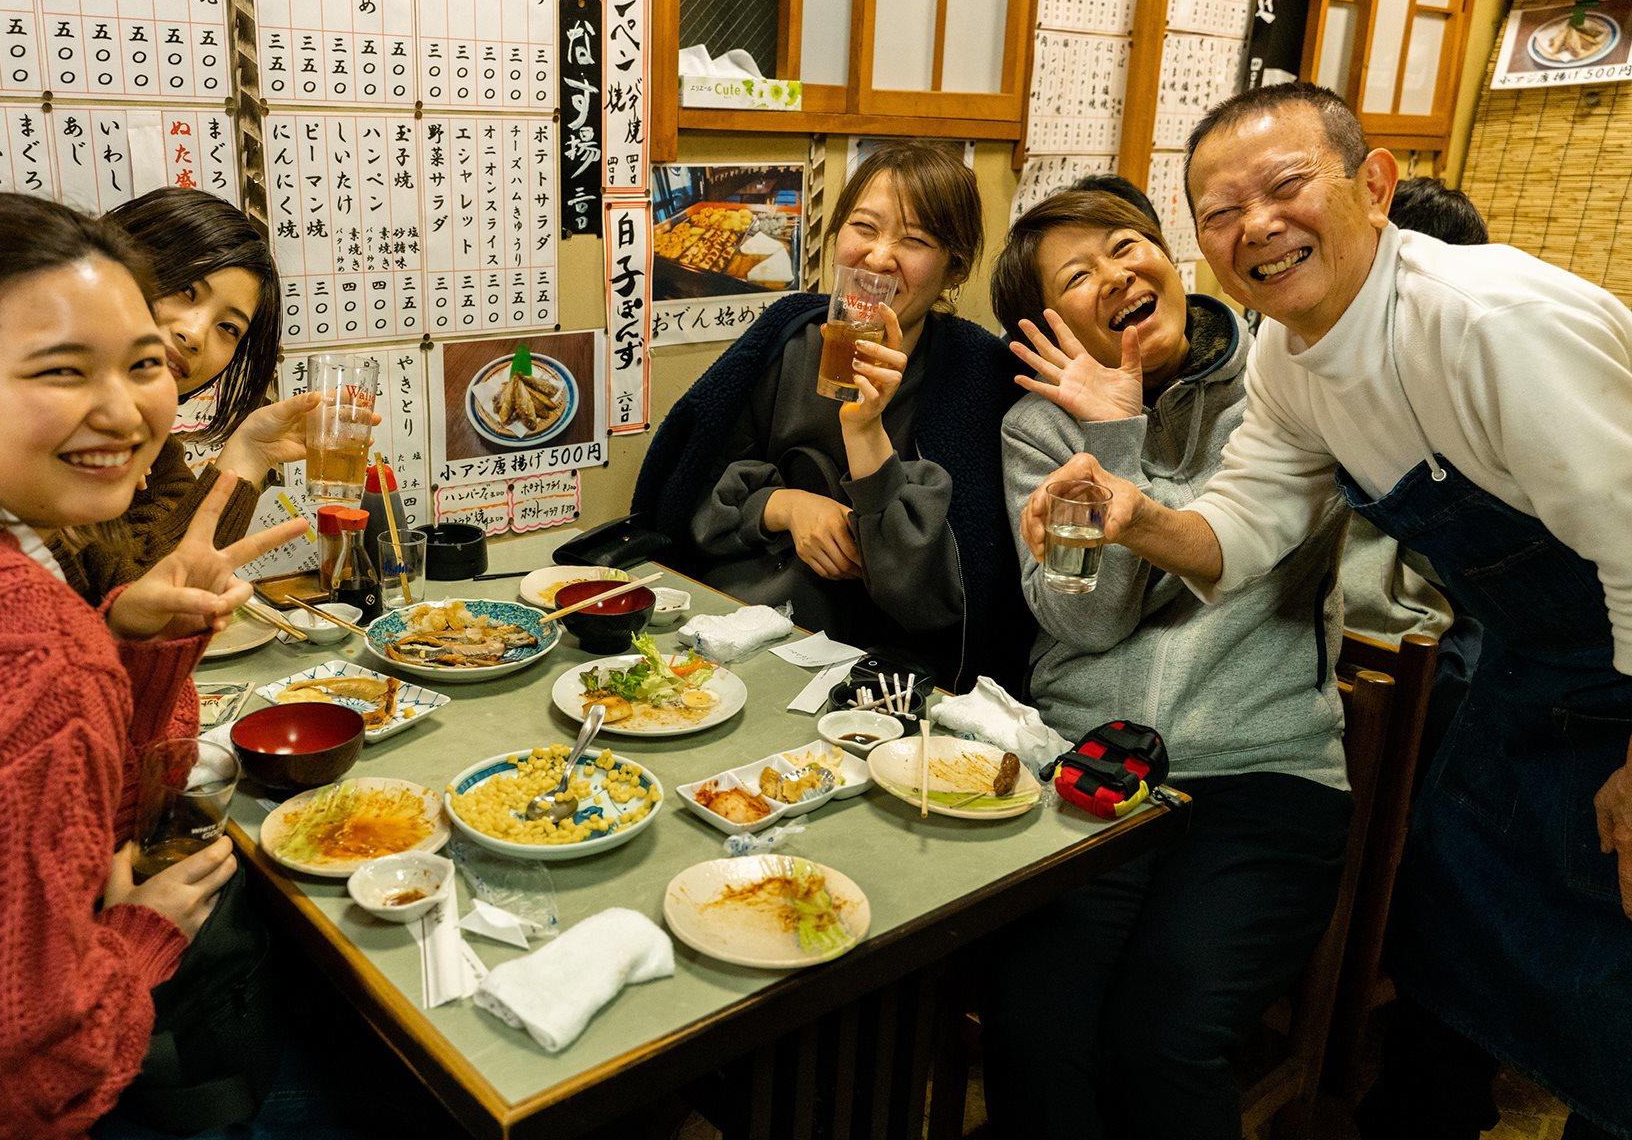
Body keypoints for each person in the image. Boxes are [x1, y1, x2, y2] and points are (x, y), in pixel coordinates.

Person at [1019, 81, 1632, 1140]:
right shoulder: (1287, 354)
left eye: (1287, 185)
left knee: (1613, 998)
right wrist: (1133, 515)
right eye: (1221, 210)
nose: (1257, 225)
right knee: (1458, 955)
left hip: (1616, 664)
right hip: (1535, 660)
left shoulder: (1491, 323)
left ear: (1376, 184)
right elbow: (1243, 527)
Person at [0, 194, 304, 1138]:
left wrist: (132, 637)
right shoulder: (9, 645)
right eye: (61, 370)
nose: (125, 407)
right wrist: (140, 940)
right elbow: (2, 1088)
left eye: (143, 367)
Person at [981, 189, 1351, 1139]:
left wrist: (1127, 477)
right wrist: (1109, 436)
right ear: (1050, 325)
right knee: (1033, 1025)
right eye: (1077, 277)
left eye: (1127, 247)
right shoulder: (1040, 430)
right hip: (1088, 767)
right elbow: (1092, 621)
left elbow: (1235, 547)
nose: (1117, 277)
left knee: (1165, 1037)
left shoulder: (1287, 384)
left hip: (1260, 771)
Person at [632, 141, 1027, 689]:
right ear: (837, 233)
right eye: (864, 227)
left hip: (881, 677)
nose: (879, 257)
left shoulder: (975, 378)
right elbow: (686, 495)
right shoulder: (787, 340)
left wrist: (866, 437)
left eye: (913, 241)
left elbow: (940, 597)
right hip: (743, 638)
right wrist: (785, 505)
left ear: (953, 268)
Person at [60, 187, 307, 602]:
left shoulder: (157, 457)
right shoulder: (11, 424)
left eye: (229, 328)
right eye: (186, 291)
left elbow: (151, 600)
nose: (193, 335)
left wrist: (249, 453)